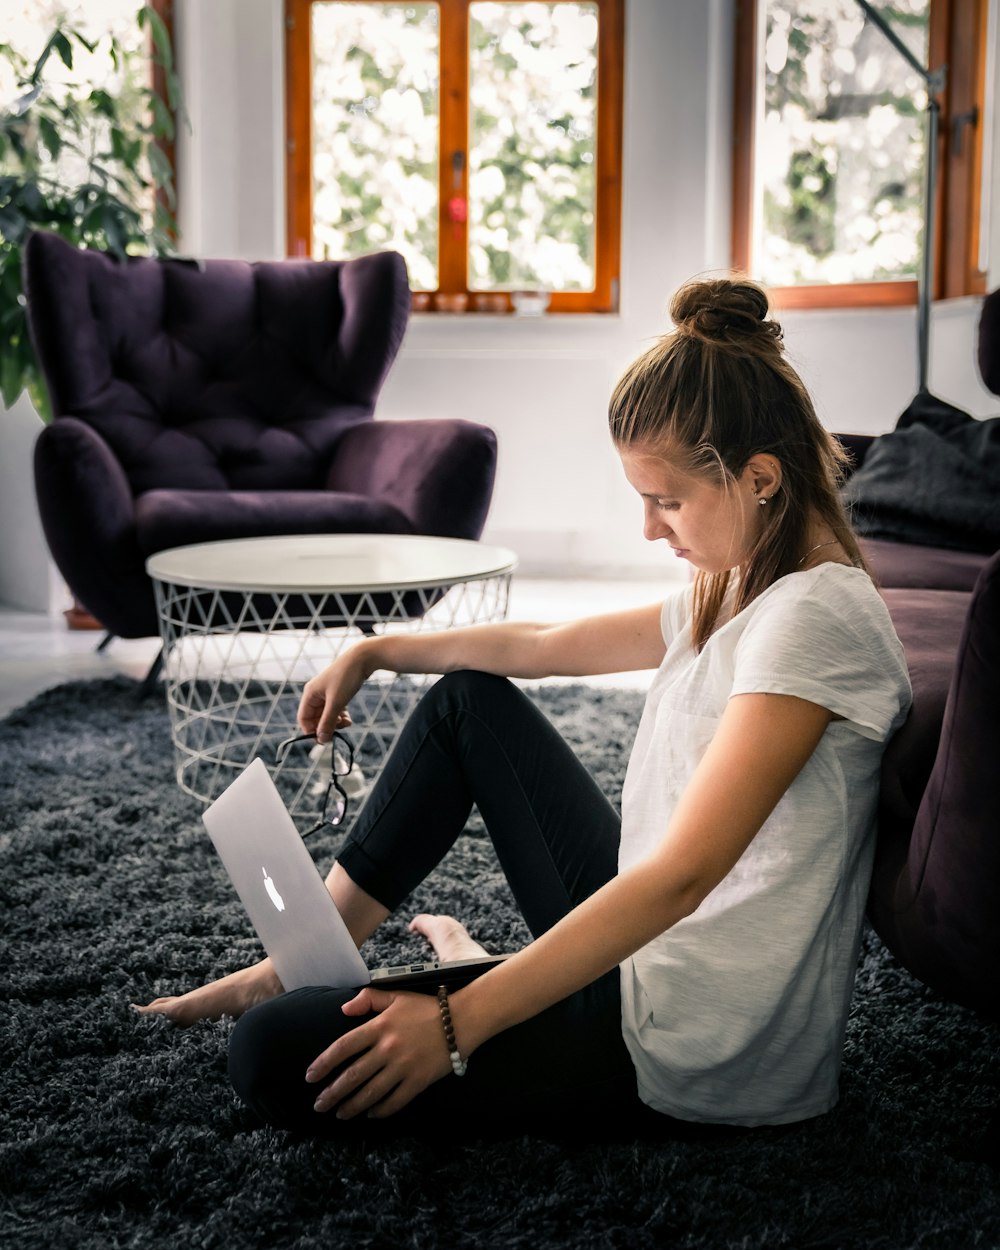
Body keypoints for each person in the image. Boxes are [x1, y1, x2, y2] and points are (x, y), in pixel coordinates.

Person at [136, 276, 911, 1137]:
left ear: (760, 477)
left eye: (667, 500)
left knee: (271, 1054)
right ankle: (299, 958)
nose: (651, 530)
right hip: (645, 965)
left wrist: (456, 1022)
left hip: (689, 1049)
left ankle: (423, 982)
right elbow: (544, 645)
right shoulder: (747, 583)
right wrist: (377, 648)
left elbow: (683, 877)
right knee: (466, 703)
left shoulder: (813, 619)